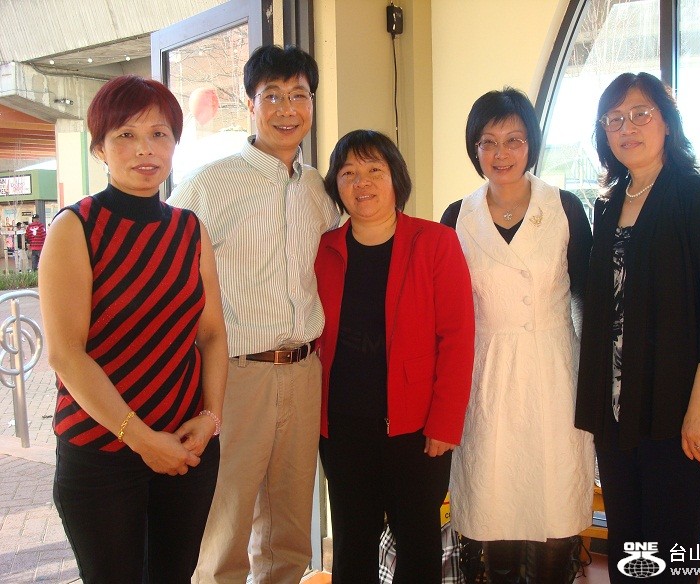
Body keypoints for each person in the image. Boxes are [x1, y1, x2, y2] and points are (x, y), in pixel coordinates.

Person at [38, 74, 227, 584]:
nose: (145, 148)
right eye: (126, 134)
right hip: (100, 454)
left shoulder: (190, 230)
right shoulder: (75, 228)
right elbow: (66, 354)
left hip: (185, 448)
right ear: (99, 148)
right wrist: (143, 440)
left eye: (159, 134)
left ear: (174, 143)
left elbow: (211, 334)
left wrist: (210, 418)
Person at [169, 44, 340, 584]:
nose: (288, 109)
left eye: (299, 96)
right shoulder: (209, 185)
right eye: (273, 96)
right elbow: (169, 274)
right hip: (237, 376)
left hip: (305, 372)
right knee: (226, 527)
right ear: (250, 104)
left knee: (290, 531)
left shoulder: (317, 189)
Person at [574, 72, 700, 583]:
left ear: (667, 122)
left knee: (670, 553)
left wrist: (699, 410)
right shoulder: (606, 206)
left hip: (677, 412)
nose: (627, 127)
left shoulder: (697, 196)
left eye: (640, 114)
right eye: (614, 119)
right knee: (629, 549)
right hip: (616, 413)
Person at [442, 87, 594, 583]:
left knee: (554, 504)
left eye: (513, 140)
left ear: (531, 144)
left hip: (554, 369)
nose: (501, 153)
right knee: (492, 505)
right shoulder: (457, 217)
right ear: (475, 149)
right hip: (486, 374)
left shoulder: (565, 207)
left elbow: (587, 297)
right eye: (488, 142)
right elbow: (446, 311)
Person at [315, 129, 475, 584]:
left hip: (418, 429)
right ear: (336, 185)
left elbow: (458, 338)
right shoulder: (324, 249)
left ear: (395, 179)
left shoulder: (435, 242)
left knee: (418, 546)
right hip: (343, 427)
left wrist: (445, 423)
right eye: (348, 173)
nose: (361, 183)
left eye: (374, 170)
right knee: (352, 545)